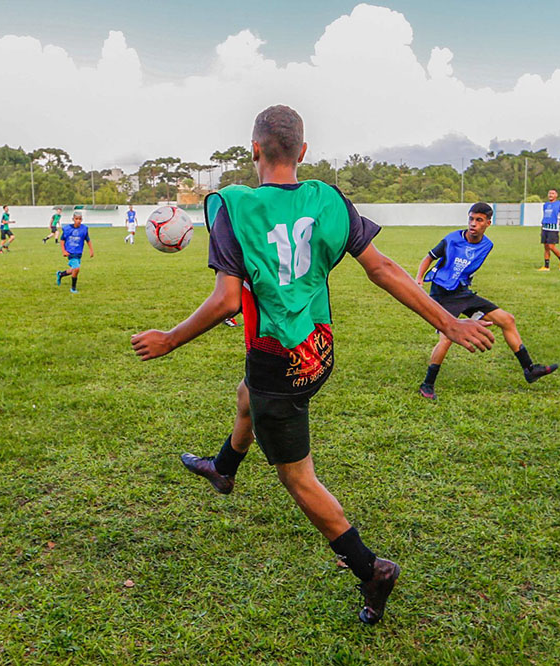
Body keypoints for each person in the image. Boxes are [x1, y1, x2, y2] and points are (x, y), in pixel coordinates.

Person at [130, 105, 494, 625]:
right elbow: (383, 268)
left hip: (276, 361)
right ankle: (224, 468)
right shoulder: (328, 198)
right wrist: (448, 322)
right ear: (302, 151)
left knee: (298, 478)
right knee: (246, 395)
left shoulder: (233, 205)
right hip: (317, 350)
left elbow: (226, 300)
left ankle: (372, 569)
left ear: (254, 150)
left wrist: (170, 340)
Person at [416, 203, 558, 400]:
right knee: (448, 337)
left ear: (488, 223)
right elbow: (429, 257)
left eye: (479, 220)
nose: (473, 224)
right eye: (471, 219)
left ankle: (530, 369)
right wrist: (419, 278)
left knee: (507, 320)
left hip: (463, 293)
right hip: (443, 295)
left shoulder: (487, 245)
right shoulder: (452, 239)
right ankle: (427, 384)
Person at [55, 210, 93, 294]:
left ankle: (60, 274)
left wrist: (91, 250)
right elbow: (62, 240)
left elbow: (88, 240)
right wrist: (64, 251)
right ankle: (73, 288)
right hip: (71, 253)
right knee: (76, 268)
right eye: (76, 219)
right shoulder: (67, 229)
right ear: (73, 219)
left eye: (80, 219)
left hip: (79, 253)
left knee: (74, 270)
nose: (78, 221)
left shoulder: (84, 229)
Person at [538, 189, 560, 271]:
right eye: (549, 193)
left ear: (556, 195)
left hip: (553, 228)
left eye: (553, 193)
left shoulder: (559, 204)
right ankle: (546, 266)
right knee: (546, 247)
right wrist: (541, 229)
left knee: (551, 246)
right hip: (545, 228)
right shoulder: (545, 205)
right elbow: (545, 217)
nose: (550, 195)